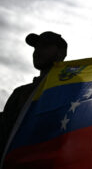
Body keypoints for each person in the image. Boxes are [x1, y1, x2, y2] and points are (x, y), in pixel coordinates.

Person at [0, 31, 67, 159]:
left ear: (61, 53)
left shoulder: (70, 89)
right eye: (36, 47)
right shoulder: (21, 93)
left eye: (45, 46)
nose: (37, 51)